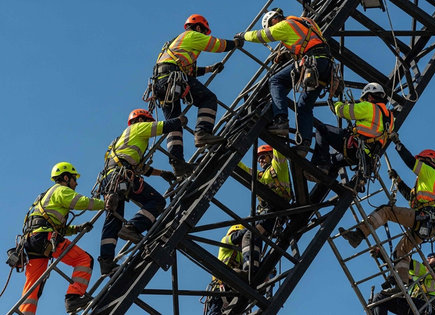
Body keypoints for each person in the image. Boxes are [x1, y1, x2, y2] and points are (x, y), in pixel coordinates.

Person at [339, 136, 435, 286]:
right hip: (428, 225)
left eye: (421, 161)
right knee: (400, 253)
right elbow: (411, 198)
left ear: (427, 161)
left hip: (426, 218)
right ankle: (401, 283)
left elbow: (410, 161)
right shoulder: (428, 183)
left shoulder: (430, 172)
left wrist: (398, 144)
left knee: (386, 211)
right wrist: (398, 180)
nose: (419, 165)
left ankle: (359, 234)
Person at [153, 14, 244, 177]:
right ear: (199, 28)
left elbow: (189, 70)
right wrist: (236, 43)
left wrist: (209, 69)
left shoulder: (174, 43)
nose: (203, 35)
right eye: (204, 32)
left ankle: (177, 163)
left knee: (174, 123)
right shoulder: (192, 35)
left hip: (161, 83)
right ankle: (202, 133)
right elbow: (217, 45)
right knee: (207, 99)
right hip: (173, 77)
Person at [235, 9, 332, 157]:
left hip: (312, 62)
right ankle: (303, 146)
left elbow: (261, 36)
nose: (271, 29)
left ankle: (281, 120)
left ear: (274, 20)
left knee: (276, 81)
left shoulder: (285, 25)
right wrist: (288, 55)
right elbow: (308, 41)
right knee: (304, 106)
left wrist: (243, 35)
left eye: (270, 26)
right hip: (326, 66)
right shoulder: (306, 22)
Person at [98, 109, 184, 275]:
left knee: (113, 221)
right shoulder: (138, 128)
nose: (148, 124)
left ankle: (106, 263)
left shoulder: (122, 141)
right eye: (147, 121)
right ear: (141, 119)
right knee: (157, 202)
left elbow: (138, 166)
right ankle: (133, 227)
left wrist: (162, 173)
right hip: (122, 176)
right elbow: (162, 126)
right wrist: (179, 120)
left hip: (110, 179)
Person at [19, 162, 105, 314]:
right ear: (66, 177)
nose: (76, 183)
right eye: (74, 179)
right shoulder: (61, 190)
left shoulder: (45, 195)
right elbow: (81, 202)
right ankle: (73, 297)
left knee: (32, 287)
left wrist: (77, 229)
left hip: (32, 240)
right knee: (84, 260)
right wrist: (105, 204)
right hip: (44, 238)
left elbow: (57, 227)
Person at [309, 82, 394, 181]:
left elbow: (344, 111)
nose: (365, 101)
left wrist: (336, 104)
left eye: (365, 99)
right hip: (365, 157)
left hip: (355, 147)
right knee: (334, 160)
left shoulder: (369, 107)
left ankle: (321, 165)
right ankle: (329, 178)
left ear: (370, 96)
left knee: (321, 129)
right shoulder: (391, 118)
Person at [237, 144, 291, 272]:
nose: (260, 160)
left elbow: (279, 150)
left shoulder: (278, 167)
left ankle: (250, 270)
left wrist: (275, 135)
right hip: (267, 213)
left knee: (250, 236)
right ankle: (253, 267)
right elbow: (243, 169)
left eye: (263, 157)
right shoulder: (260, 175)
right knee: (251, 236)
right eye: (259, 158)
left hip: (275, 212)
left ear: (271, 156)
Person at [371, 252, 435, 314]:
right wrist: (383, 257)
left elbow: (409, 264)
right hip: (421, 307)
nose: (427, 258)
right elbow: (402, 273)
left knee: (380, 298)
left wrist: (402, 253)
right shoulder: (423, 279)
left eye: (431, 257)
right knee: (377, 300)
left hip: (426, 307)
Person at [205, 224, 246, 315]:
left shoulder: (241, 253)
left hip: (232, 290)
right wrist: (255, 229)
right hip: (221, 289)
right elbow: (237, 236)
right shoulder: (225, 241)